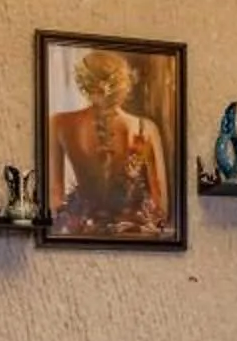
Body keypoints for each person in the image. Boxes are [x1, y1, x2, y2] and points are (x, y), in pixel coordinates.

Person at [46, 47, 170, 237]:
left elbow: (54, 198)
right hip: (133, 235)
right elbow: (160, 206)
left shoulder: (59, 123)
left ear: (84, 84)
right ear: (125, 84)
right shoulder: (146, 128)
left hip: (81, 233)